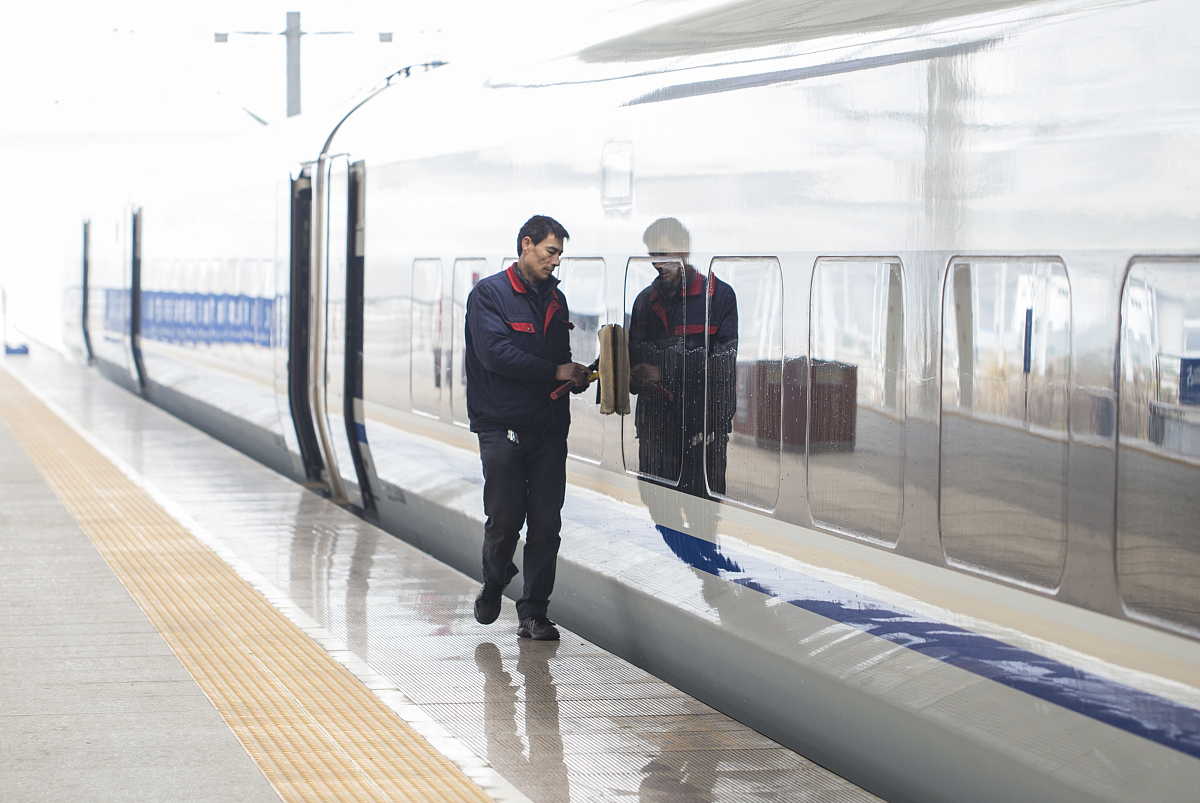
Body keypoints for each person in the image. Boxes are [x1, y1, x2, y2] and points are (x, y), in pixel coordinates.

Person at [464, 215, 590, 640]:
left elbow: (559, 359)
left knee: (546, 524)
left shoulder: (558, 301)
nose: (555, 261)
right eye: (550, 252)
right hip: (501, 429)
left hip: (549, 430)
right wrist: (556, 370)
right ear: (526, 245)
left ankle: (534, 611)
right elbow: (495, 355)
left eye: (559, 255)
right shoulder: (489, 296)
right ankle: (496, 580)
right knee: (504, 520)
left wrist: (575, 378)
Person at [628, 218, 738, 502]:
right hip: (654, 440)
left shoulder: (718, 297)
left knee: (704, 529)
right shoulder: (644, 301)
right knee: (657, 526)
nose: (658, 263)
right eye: (653, 256)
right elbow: (633, 363)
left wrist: (661, 371)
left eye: (665, 254)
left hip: (704, 443)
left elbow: (722, 368)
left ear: (685, 248)